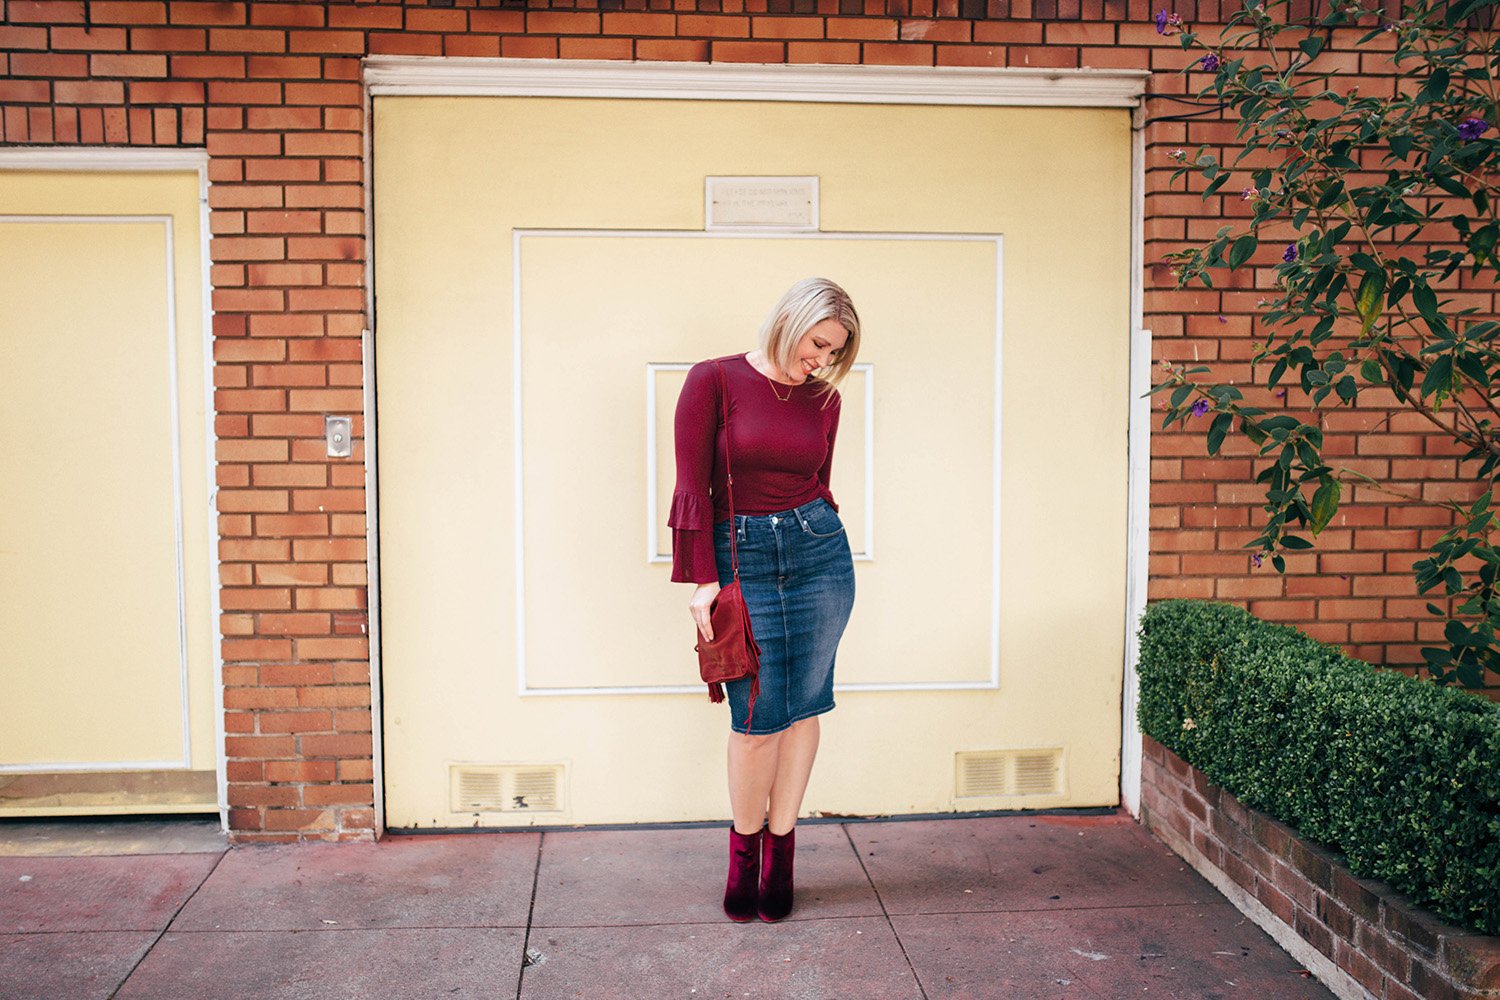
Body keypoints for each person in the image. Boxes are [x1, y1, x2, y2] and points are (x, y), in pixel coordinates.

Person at [669, 276, 861, 923]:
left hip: (818, 556)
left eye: (835, 352)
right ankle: (743, 857)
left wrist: (820, 538)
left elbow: (820, 483)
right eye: (820, 344)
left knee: (804, 708)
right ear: (792, 320)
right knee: (755, 721)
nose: (824, 360)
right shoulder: (713, 380)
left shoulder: (825, 401)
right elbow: (692, 484)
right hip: (741, 560)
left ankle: (783, 853)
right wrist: (704, 579)